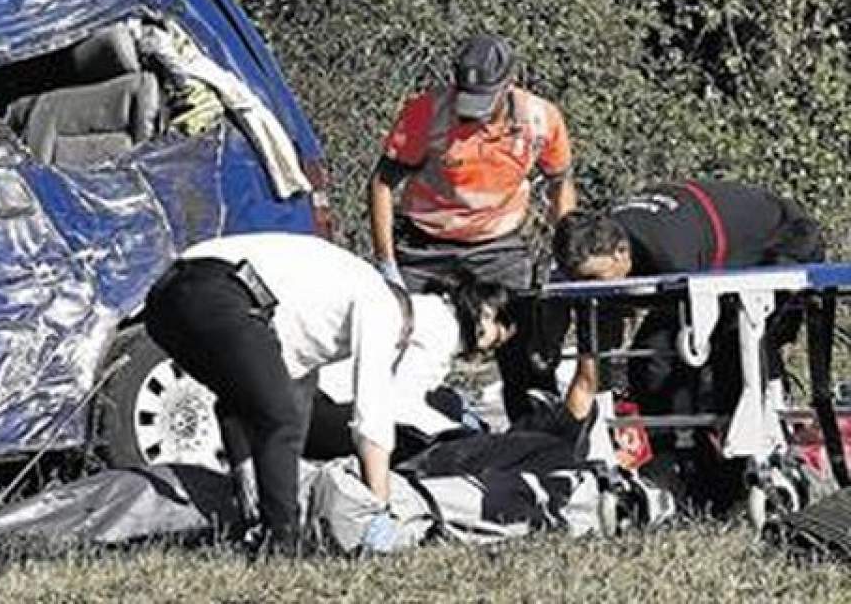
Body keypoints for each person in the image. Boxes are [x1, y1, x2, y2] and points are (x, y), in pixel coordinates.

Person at [141, 232, 516, 553]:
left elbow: (243, 402)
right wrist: (378, 507)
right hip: (216, 288)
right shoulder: (381, 303)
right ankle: (283, 545)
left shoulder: (321, 306)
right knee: (282, 416)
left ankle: (256, 519)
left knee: (271, 401)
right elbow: (373, 415)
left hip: (165, 299)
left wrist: (247, 484)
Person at [551, 179, 825, 416]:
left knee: (727, 357)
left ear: (621, 252)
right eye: (582, 282)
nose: (593, 289)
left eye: (596, 279)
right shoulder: (592, 274)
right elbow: (590, 376)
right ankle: (673, 459)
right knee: (647, 368)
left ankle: (754, 444)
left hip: (783, 240)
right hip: (706, 256)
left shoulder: (670, 253)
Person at [368, 33, 577, 292]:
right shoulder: (427, 112)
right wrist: (386, 263)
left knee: (517, 323)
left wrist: (567, 252)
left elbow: (560, 181)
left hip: (499, 249)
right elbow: (381, 183)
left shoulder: (540, 119)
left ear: (508, 84)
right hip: (425, 248)